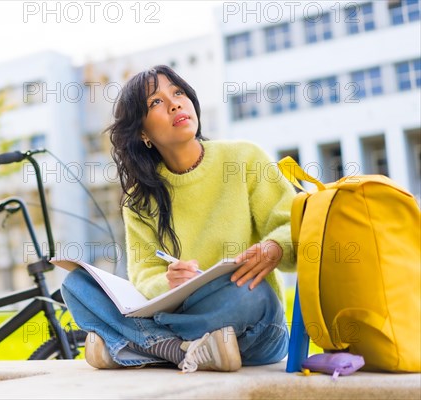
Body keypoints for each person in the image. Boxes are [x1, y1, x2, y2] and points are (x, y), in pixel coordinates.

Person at [61, 65, 296, 373]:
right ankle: (179, 349)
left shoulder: (245, 158)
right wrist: (169, 282)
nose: (174, 103)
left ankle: (138, 345)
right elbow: (144, 274)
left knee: (254, 293)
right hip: (182, 311)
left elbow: (296, 225)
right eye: (155, 102)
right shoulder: (139, 198)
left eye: (178, 92)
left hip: (251, 325)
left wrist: (274, 248)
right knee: (76, 284)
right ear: (143, 132)